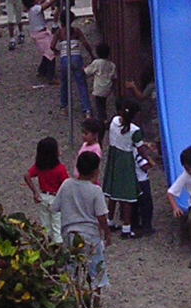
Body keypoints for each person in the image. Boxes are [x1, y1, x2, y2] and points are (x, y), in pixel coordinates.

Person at [56, 150, 110, 290]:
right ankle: (95, 306)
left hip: (69, 234)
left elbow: (55, 207)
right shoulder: (95, 191)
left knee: (70, 270)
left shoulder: (66, 184)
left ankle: (72, 302)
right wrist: (107, 234)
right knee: (96, 273)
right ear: (96, 171)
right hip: (90, 236)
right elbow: (101, 216)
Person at [100, 98, 146, 240]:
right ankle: (126, 228)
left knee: (113, 192)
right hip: (126, 162)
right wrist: (149, 158)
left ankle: (110, 221)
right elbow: (141, 149)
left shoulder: (114, 121)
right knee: (127, 196)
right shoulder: (135, 130)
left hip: (114, 158)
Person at [24, 136, 69, 243]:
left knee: (46, 227)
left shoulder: (39, 166)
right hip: (56, 199)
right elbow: (66, 185)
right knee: (57, 228)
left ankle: (46, 246)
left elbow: (27, 175)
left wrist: (35, 192)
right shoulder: (60, 169)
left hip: (43, 197)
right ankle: (59, 250)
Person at [84, 44, 117, 122]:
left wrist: (83, 68)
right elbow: (114, 77)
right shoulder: (112, 65)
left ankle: (102, 121)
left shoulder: (97, 62)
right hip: (107, 88)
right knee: (103, 103)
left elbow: (88, 71)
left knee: (99, 105)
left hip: (98, 87)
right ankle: (104, 119)